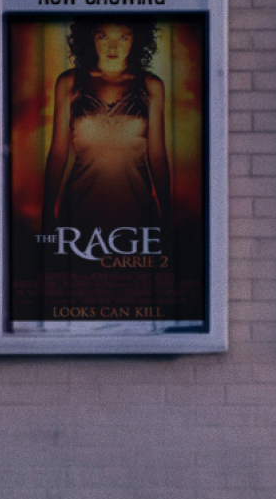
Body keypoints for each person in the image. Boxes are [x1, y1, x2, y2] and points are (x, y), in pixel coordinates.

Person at [35, 17, 186, 317]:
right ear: (90, 39)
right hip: (79, 212)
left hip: (136, 213)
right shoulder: (69, 83)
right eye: (104, 37)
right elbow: (58, 152)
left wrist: (166, 217)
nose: (114, 46)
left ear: (136, 40)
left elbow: (157, 154)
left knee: (136, 302)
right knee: (78, 301)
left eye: (124, 37)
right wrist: (46, 212)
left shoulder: (151, 86)